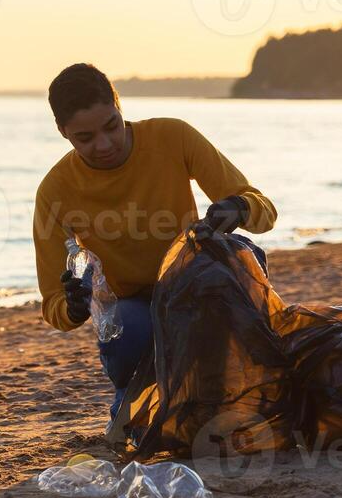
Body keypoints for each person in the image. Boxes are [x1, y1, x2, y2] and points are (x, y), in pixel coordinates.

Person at [32, 63, 278, 420]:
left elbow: (264, 210)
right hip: (132, 311)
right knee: (127, 331)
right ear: (63, 132)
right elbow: (53, 304)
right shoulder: (54, 190)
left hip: (194, 289)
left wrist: (239, 207)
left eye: (111, 126)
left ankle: (218, 384)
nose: (104, 145)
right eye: (85, 138)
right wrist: (73, 307)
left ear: (119, 105)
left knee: (242, 256)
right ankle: (136, 396)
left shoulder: (172, 137)